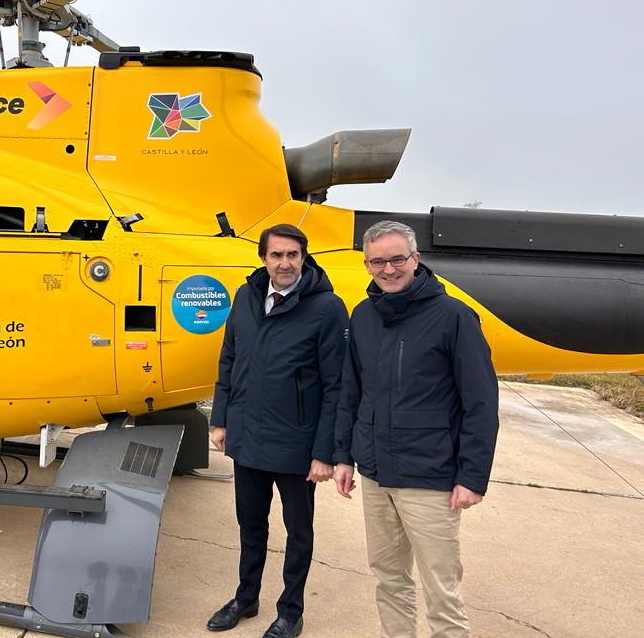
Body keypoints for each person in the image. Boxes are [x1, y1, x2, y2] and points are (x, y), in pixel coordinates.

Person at [332, 220, 498, 638]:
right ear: (366, 264)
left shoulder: (454, 317)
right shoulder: (363, 315)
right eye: (377, 262)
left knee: (442, 592)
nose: (388, 269)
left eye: (397, 259)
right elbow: (351, 392)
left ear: (416, 258)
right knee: (389, 579)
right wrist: (343, 456)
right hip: (375, 475)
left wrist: (472, 476)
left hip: (430, 478)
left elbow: (480, 403)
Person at [208, 223, 348, 638]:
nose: (284, 263)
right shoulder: (246, 297)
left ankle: (290, 611)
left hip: (297, 445)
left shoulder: (327, 308)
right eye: (276, 255)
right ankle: (246, 597)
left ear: (303, 257)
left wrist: (325, 452)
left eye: (292, 255)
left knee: (298, 532)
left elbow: (337, 385)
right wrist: (221, 418)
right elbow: (229, 359)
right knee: (250, 524)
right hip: (248, 436)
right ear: (264, 258)